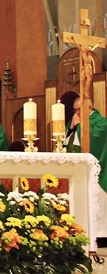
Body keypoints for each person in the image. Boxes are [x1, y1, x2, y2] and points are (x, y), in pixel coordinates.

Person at [64, 97, 107, 248]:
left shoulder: (101, 122)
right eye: (75, 110)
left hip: (97, 170)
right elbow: (66, 142)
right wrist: (72, 128)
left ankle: (101, 234)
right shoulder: (75, 121)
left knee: (98, 201)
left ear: (89, 109)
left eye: (78, 109)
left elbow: (95, 141)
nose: (76, 113)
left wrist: (80, 125)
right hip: (77, 169)